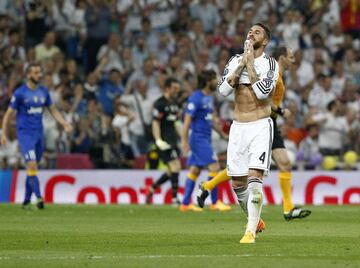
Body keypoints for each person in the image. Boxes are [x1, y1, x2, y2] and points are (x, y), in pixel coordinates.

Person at [197, 47, 312, 221]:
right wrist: (281, 111)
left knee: (284, 163)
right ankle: (208, 185)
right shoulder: (271, 72)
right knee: (245, 168)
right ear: (282, 58)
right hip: (260, 123)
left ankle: (288, 208)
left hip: (269, 122)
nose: (294, 60)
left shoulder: (278, 74)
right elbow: (263, 98)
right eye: (291, 57)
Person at [199, 23, 279, 244]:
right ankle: (256, 220)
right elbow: (223, 91)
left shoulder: (270, 63)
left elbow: (263, 94)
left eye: (258, 32)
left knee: (255, 180)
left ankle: (250, 232)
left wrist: (250, 64)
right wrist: (242, 64)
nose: (252, 33)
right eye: (250, 30)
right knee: (237, 184)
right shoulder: (235, 60)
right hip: (238, 127)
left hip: (260, 125)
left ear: (265, 41)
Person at [1, 62, 72, 209]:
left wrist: (64, 123)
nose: (39, 75)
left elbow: (53, 110)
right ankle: (39, 197)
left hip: (39, 134)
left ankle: (26, 200)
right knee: (32, 164)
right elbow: (8, 115)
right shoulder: (20, 93)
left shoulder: (44, 92)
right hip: (25, 134)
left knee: (33, 168)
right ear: (28, 75)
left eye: (40, 72)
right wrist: (3, 133)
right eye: (35, 72)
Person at [180, 70, 231, 212]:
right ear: (208, 81)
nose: (216, 81)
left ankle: (185, 204)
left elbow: (210, 119)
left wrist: (221, 134)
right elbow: (187, 120)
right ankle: (215, 202)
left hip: (205, 138)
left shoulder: (209, 97)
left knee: (195, 170)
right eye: (214, 78)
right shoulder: (195, 98)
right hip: (198, 138)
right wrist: (184, 141)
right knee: (214, 166)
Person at [145, 77, 182, 205]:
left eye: (177, 88)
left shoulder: (175, 104)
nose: (176, 91)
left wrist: (183, 138)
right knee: (176, 167)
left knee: (172, 170)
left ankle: (152, 187)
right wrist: (158, 140)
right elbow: (155, 123)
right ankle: (174, 198)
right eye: (174, 88)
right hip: (163, 141)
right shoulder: (159, 104)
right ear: (167, 88)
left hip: (173, 140)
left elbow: (176, 123)